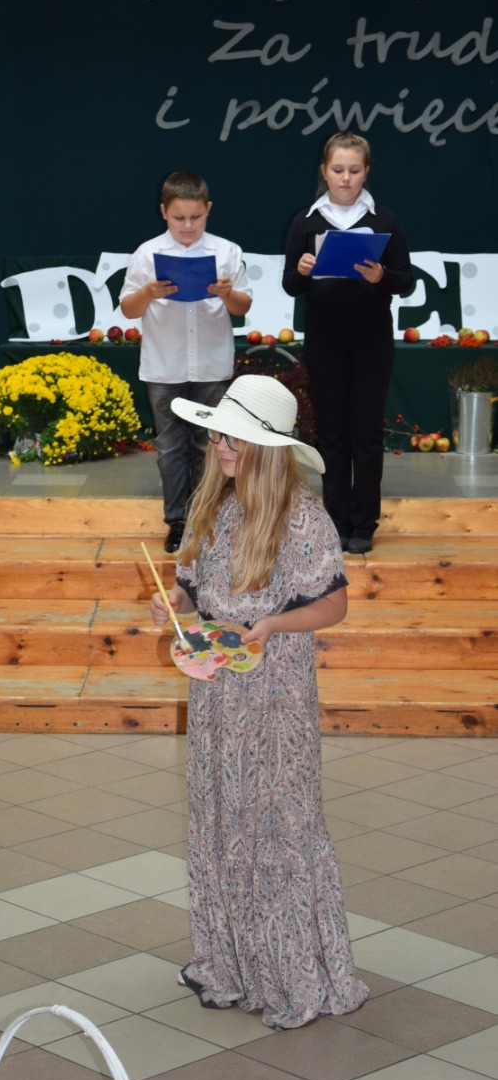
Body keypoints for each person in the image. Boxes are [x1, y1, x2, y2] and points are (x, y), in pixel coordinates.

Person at [150, 372, 368, 1030]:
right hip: (218, 692)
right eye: (220, 435)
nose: (221, 446)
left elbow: (334, 604)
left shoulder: (303, 517)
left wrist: (273, 624)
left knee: (276, 828)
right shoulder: (215, 505)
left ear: (269, 449)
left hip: (274, 696)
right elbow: (194, 583)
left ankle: (292, 974)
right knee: (223, 820)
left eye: (235, 439)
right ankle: (232, 963)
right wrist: (177, 601)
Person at [282, 133, 413, 554]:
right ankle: (335, 520)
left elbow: (406, 280)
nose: (346, 178)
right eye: (338, 170)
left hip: (372, 339)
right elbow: (290, 285)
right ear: (324, 171)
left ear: (366, 171)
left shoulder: (384, 220)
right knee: (333, 431)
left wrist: (382, 276)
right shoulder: (307, 221)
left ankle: (364, 523)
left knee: (366, 432)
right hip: (325, 339)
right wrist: (303, 270)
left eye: (354, 170)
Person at [120, 169, 251, 553]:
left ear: (208, 209)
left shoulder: (226, 251)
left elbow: (243, 306)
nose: (188, 225)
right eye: (179, 217)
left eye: (196, 217)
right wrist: (148, 292)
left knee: (211, 447)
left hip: (211, 365)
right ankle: (177, 521)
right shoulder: (147, 253)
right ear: (164, 212)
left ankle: (209, 519)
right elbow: (128, 309)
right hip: (165, 366)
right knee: (170, 448)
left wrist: (227, 294)